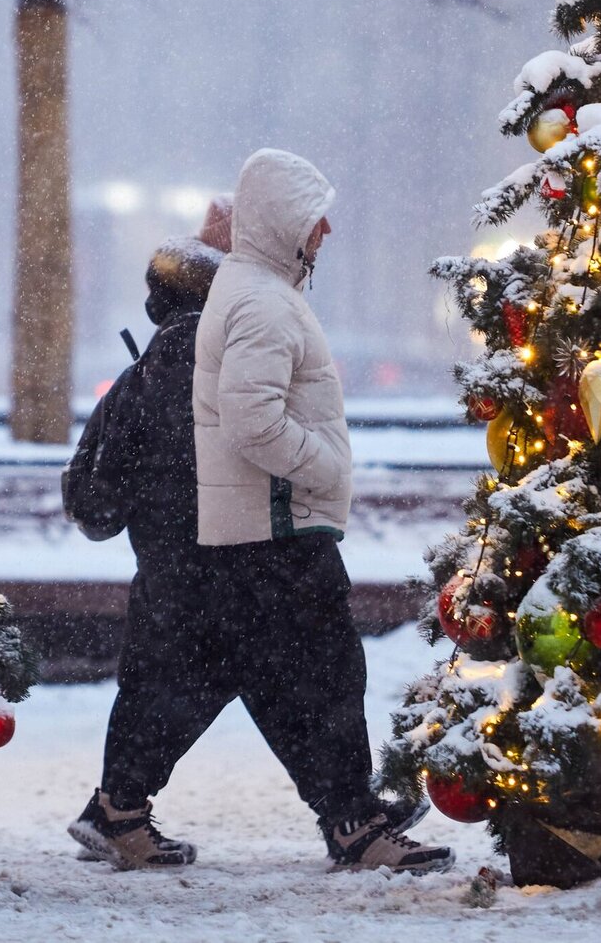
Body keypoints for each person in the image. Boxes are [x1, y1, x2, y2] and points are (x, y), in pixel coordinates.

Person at [193, 148, 453, 873]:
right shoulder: (263, 302)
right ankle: (355, 822)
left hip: (262, 528)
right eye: (314, 216)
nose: (328, 229)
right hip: (279, 526)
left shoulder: (256, 290)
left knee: (292, 685)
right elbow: (252, 422)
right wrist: (326, 465)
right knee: (330, 677)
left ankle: (350, 814)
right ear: (282, 222)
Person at [65, 237, 229, 869]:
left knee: (150, 682)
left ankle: (118, 809)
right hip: (211, 560)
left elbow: (94, 497)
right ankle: (118, 812)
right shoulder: (210, 363)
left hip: (161, 563)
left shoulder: (140, 376)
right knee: (188, 681)